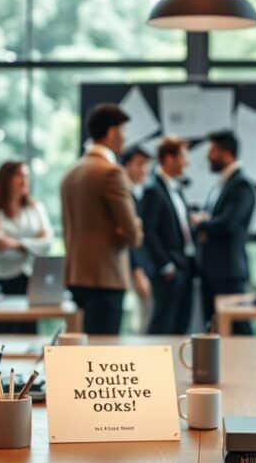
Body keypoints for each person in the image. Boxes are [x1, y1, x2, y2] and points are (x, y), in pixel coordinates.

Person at [61, 104, 143, 335]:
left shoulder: (71, 173)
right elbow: (132, 233)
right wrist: (136, 226)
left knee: (81, 352)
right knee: (103, 355)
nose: (125, 139)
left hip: (76, 276)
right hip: (106, 277)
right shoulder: (111, 173)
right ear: (111, 132)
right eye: (123, 132)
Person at [193, 130, 256, 335]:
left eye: (212, 151)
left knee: (239, 328)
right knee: (214, 329)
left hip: (229, 271)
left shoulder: (242, 185)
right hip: (213, 269)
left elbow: (229, 224)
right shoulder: (222, 183)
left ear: (226, 153)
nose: (208, 157)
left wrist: (201, 224)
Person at [0, 160, 54, 335]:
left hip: (30, 281)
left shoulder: (35, 208)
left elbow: (48, 244)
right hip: (2, 281)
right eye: (19, 176)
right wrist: (33, 241)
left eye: (26, 176)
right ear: (6, 180)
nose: (24, 181)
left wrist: (17, 243)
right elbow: (1, 251)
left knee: (28, 336)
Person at [140, 136, 195, 335]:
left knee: (181, 323)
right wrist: (165, 264)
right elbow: (149, 231)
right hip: (169, 269)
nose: (186, 163)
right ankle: (157, 366)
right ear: (169, 158)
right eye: (183, 157)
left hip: (184, 264)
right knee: (163, 323)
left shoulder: (176, 188)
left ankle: (177, 366)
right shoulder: (153, 189)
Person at [120, 146, 155, 334]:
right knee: (142, 320)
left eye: (146, 165)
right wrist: (138, 271)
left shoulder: (136, 193)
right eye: (139, 164)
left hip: (139, 267)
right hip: (132, 268)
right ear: (126, 166)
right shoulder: (123, 194)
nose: (144, 170)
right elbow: (130, 238)